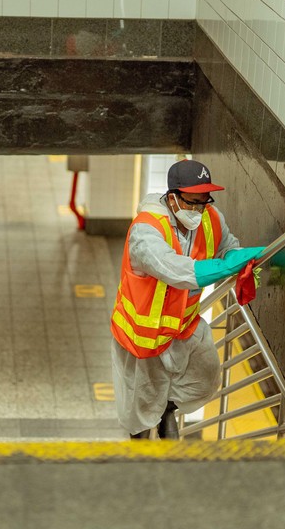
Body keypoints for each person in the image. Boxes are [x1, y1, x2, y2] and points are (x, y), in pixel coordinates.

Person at [110, 159, 264, 439]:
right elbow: (176, 271)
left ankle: (167, 408)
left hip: (184, 327)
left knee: (204, 379)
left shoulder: (211, 218)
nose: (199, 209)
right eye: (193, 202)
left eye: (205, 201)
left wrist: (235, 259)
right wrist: (226, 268)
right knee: (141, 406)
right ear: (173, 198)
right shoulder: (145, 232)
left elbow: (227, 246)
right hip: (144, 336)